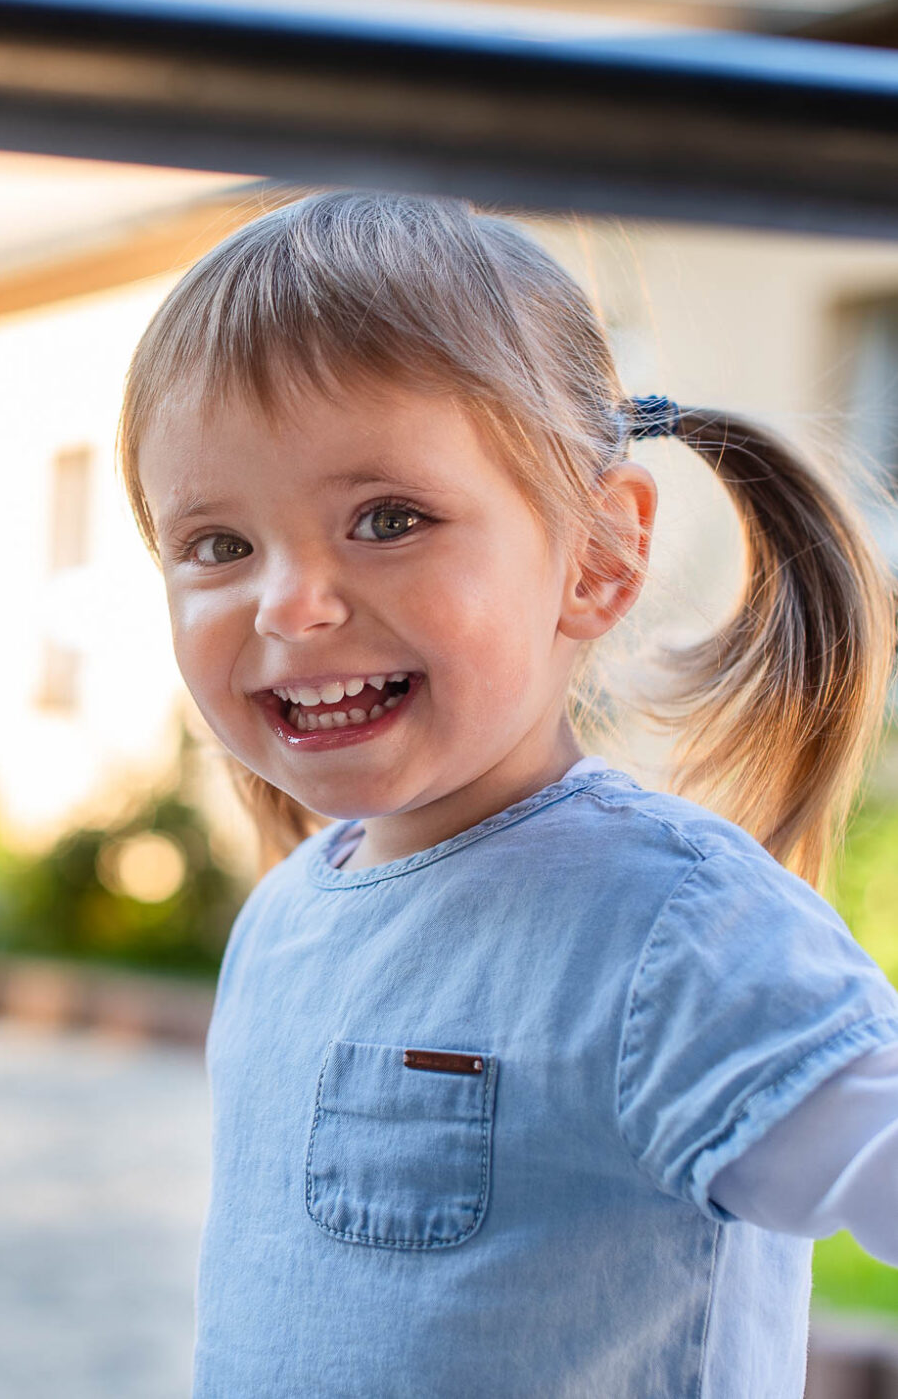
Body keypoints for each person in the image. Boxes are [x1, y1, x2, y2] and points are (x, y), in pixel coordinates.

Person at [116, 190, 898, 1398]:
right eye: (218, 543)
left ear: (597, 556)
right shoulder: (284, 915)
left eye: (387, 519)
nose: (288, 604)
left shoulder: (665, 926)